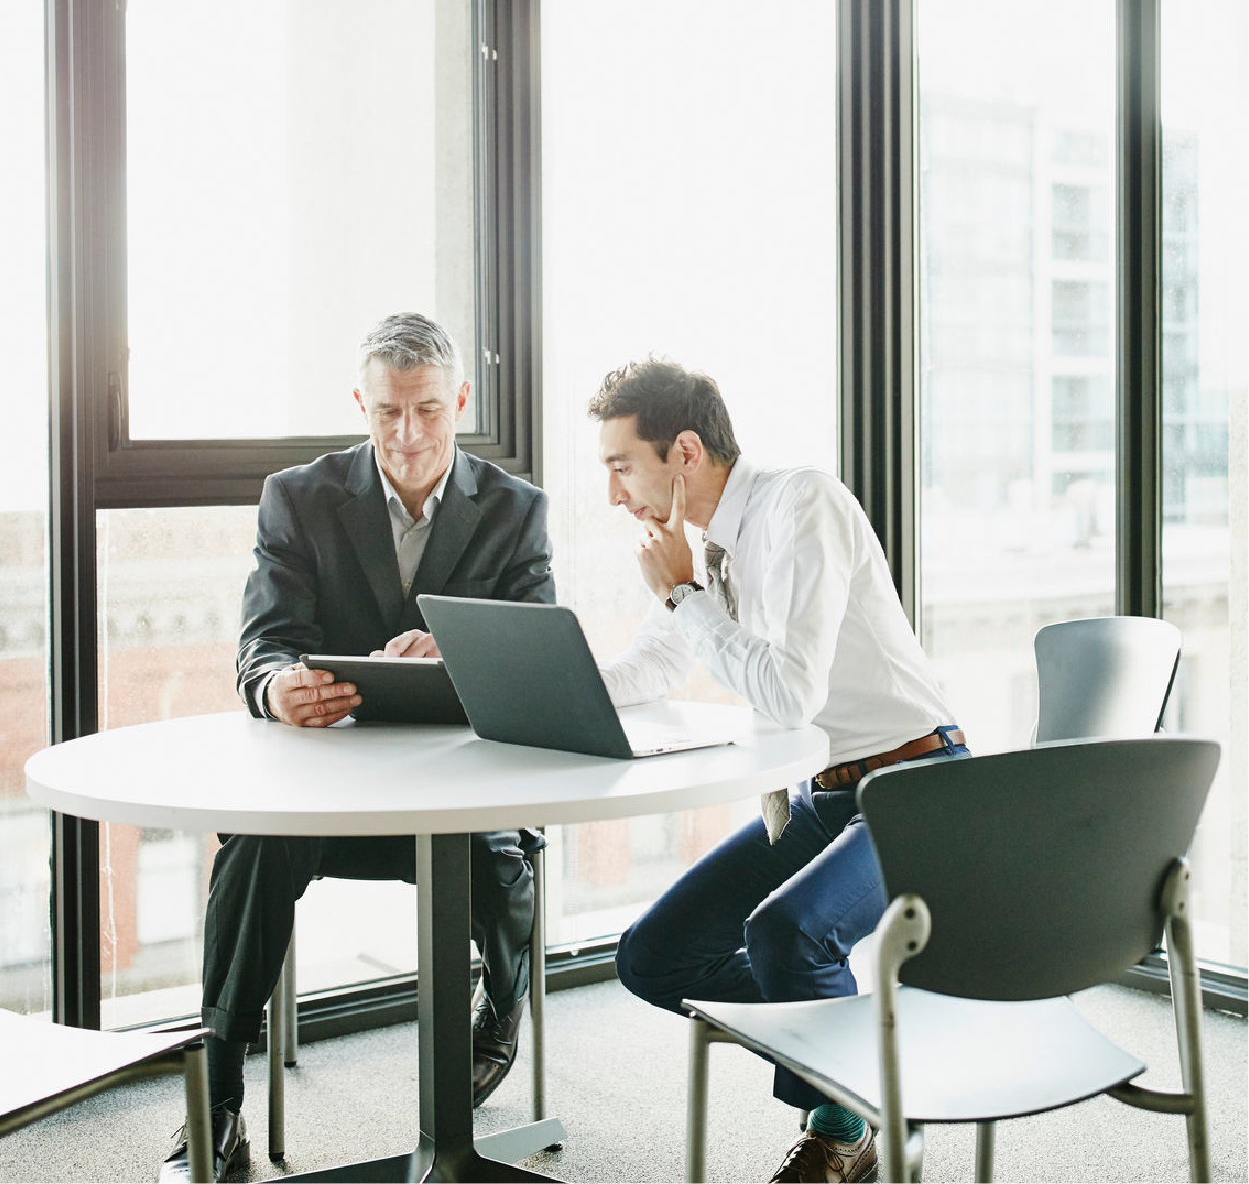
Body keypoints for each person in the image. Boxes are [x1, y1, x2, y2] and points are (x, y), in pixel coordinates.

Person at [160, 313, 555, 1184]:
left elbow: (538, 660)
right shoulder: (298, 496)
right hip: (328, 795)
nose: (405, 436)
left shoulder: (516, 511)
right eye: (385, 413)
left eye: (424, 411)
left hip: (459, 792)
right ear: (360, 404)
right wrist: (275, 689)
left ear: (458, 400)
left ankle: (500, 1011)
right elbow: (260, 644)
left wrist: (459, 653)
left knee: (500, 858)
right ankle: (215, 1092)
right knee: (252, 846)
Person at [587, 358, 969, 1184]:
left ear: (683, 451)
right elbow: (651, 666)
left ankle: (841, 1125)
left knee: (786, 931)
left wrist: (685, 595)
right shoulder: (703, 547)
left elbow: (790, 697)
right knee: (652, 955)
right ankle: (867, 1041)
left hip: (918, 785)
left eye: (622, 465)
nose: (615, 493)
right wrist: (544, 682)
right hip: (822, 794)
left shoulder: (803, 504)